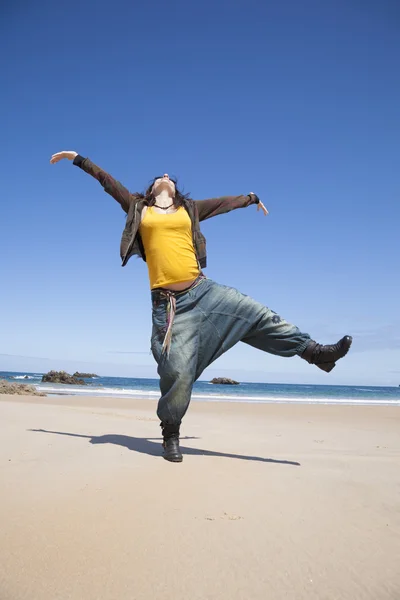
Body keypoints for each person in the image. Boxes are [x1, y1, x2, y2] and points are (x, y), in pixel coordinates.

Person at [50, 150, 353, 463]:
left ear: (175, 188)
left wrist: (251, 198)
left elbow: (223, 204)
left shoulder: (189, 209)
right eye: (159, 177)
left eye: (169, 177)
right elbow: (107, 182)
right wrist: (79, 159)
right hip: (169, 306)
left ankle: (316, 353)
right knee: (176, 369)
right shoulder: (138, 207)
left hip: (203, 291)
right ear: (152, 189)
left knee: (256, 314)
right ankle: (170, 432)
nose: (164, 176)